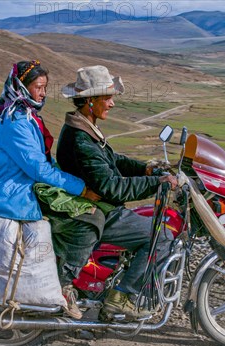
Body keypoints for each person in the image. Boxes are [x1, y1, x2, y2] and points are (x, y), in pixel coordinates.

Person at [0, 60, 100, 319]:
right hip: (10, 196)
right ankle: (65, 285)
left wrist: (72, 182)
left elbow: (43, 163)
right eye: (38, 87)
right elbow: (38, 169)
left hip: (22, 189)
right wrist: (80, 189)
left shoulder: (24, 115)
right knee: (86, 220)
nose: (42, 93)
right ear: (21, 86)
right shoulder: (16, 123)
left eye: (45, 87)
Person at [55, 65, 177, 320]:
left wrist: (146, 169)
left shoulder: (85, 128)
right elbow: (111, 186)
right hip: (97, 211)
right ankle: (122, 296)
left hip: (101, 206)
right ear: (90, 101)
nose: (112, 103)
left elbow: (113, 160)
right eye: (107, 98)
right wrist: (158, 182)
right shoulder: (81, 139)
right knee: (162, 235)